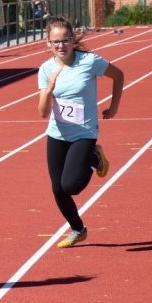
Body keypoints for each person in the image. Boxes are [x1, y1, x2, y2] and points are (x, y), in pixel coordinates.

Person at [37, 16, 123, 248]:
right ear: (48, 43)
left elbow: (119, 76)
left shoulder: (89, 61)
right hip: (57, 133)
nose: (61, 46)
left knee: (71, 186)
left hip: (84, 132)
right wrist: (49, 90)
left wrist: (114, 106)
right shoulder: (46, 69)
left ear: (73, 39)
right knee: (58, 189)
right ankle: (78, 229)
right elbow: (42, 112)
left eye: (65, 40)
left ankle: (94, 156)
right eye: (55, 42)